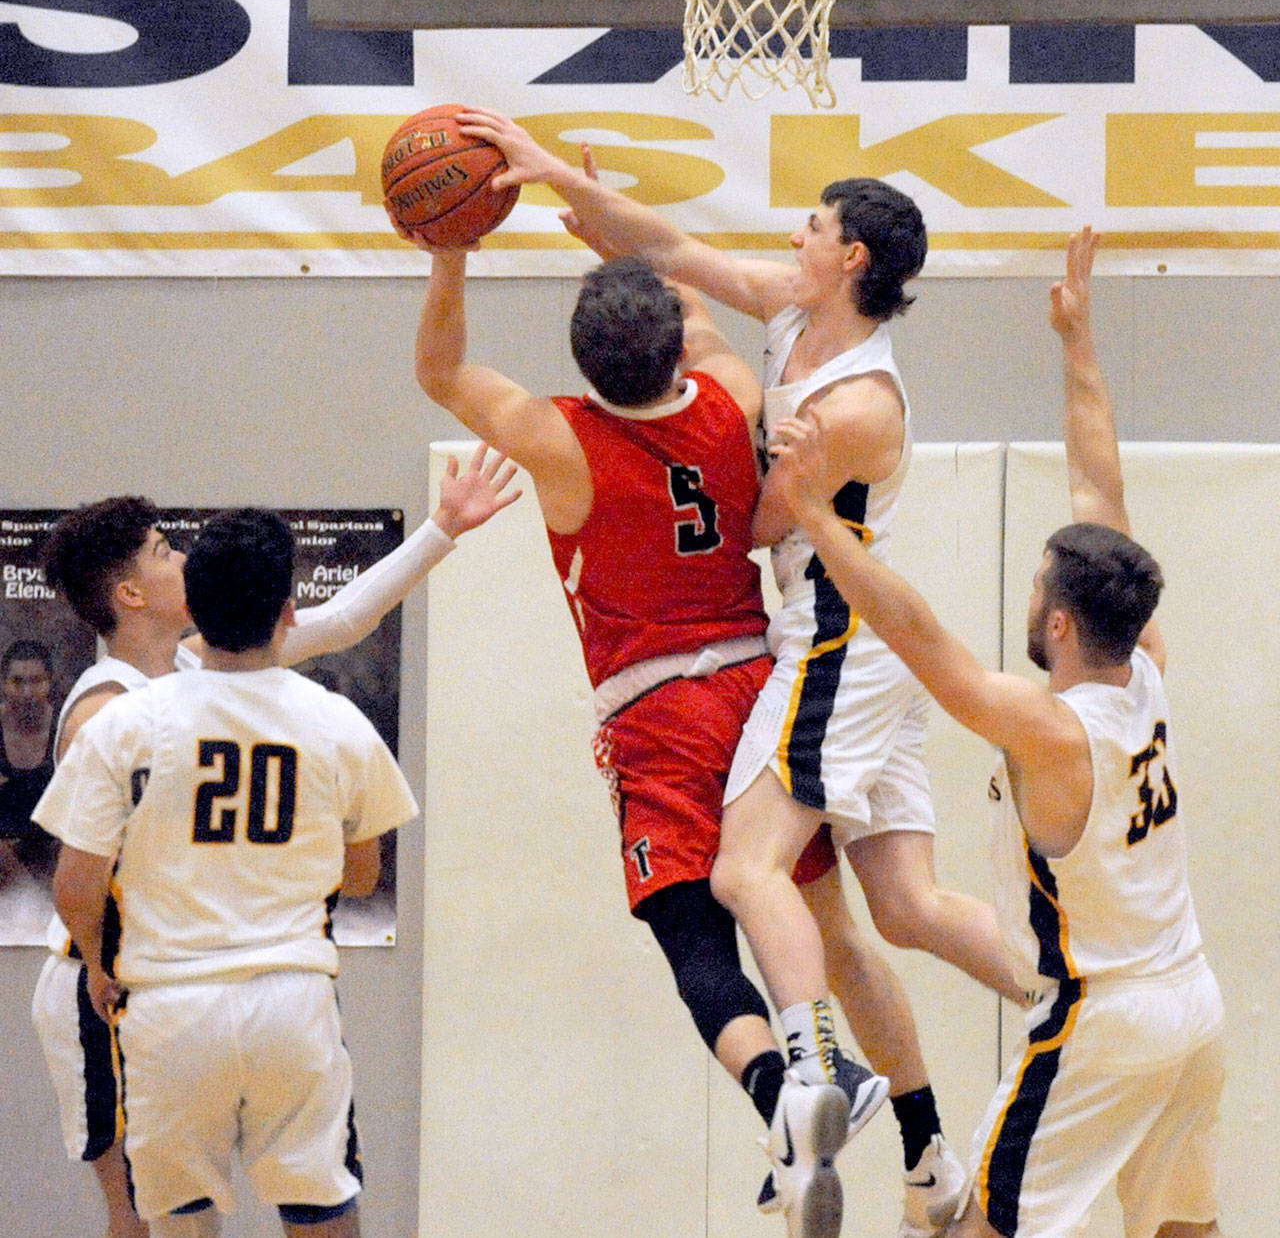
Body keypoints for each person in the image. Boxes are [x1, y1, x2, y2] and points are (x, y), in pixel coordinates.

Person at [444, 108, 1018, 1234]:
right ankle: (953, 1124)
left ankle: (811, 1080)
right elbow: (672, 254)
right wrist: (572, 187)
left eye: (810, 226)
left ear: (849, 256)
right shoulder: (797, 307)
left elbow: (755, 524)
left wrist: (714, 427)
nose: (790, 237)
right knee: (890, 912)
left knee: (745, 875)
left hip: (832, 636)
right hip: (847, 636)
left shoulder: (853, 403)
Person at [766, 229, 1226, 1238]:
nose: (1026, 593)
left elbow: (922, 640)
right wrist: (1075, 343)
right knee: (1182, 1226)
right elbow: (1098, 487)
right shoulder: (1141, 662)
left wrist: (817, 515)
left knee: (978, 1225)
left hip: (1099, 1018)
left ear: (1057, 622)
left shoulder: (1053, 728)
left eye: (1034, 589)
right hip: (1190, 999)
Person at [32, 449, 519, 1238]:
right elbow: (86, 875)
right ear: (130, 595)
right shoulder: (106, 710)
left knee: (182, 1205)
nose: (184, 558)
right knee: (139, 1216)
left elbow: (340, 621)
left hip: (186, 976)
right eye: (165, 551)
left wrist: (441, 529)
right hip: (102, 973)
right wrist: (105, 961)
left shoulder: (198, 667)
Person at [0, 638, 59, 880]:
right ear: (3, 683)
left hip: (55, 858)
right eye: (17, 681)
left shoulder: (66, 727)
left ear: (49, 682)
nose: (26, 692)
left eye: (36, 681)